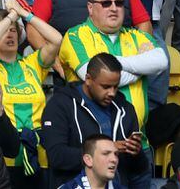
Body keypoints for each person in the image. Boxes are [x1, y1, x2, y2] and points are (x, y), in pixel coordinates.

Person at [59, 0, 168, 126]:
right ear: (90, 8)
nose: (114, 8)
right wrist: (142, 66)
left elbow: (161, 61)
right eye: (106, 3)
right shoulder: (76, 36)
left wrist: (108, 63)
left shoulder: (137, 36)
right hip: (95, 143)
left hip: (138, 141)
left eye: (119, 3)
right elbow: (97, 79)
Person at [0, 1, 62, 182]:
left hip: (39, 154)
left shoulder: (32, 63)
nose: (10, 33)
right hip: (4, 154)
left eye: (13, 30)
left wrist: (25, 14)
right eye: (4, 30)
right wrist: (10, 17)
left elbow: (56, 40)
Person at [41, 53, 149, 189]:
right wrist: (104, 152)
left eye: (115, 87)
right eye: (105, 87)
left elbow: (139, 169)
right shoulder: (60, 105)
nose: (112, 93)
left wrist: (136, 153)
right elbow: (57, 156)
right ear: (88, 79)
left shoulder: (125, 108)